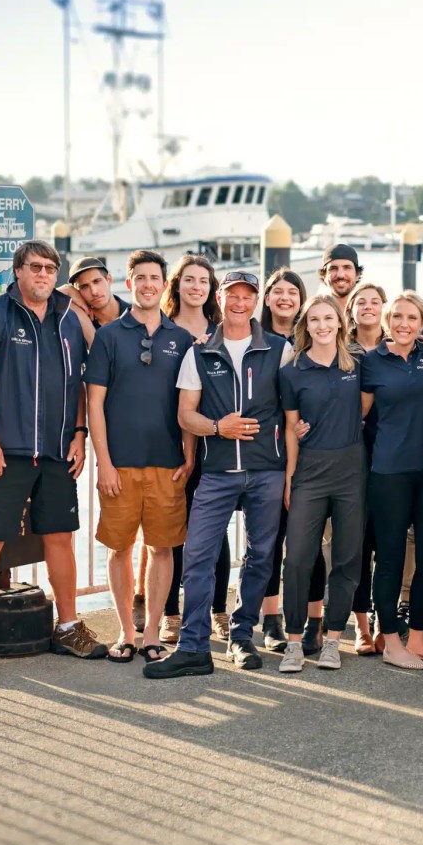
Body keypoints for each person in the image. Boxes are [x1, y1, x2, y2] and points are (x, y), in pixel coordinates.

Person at [0, 240, 103, 676]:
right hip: (9, 451)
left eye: (50, 268)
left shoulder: (69, 319)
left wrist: (79, 434)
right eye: (35, 267)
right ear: (18, 272)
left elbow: (78, 382)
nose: (43, 274)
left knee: (60, 538)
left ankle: (68, 626)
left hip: (59, 452)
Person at [145, 269, 289, 678]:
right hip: (219, 471)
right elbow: (185, 413)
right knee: (197, 555)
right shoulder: (200, 352)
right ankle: (193, 646)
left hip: (267, 469)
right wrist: (216, 428)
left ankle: (241, 636)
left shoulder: (279, 350)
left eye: (247, 296)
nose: (240, 303)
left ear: (256, 300)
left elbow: (296, 406)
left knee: (261, 556)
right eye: (233, 296)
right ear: (220, 299)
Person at [84, 250, 194, 663]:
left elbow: (189, 402)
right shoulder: (110, 337)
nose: (148, 284)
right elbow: (95, 404)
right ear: (128, 284)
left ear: (164, 285)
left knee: (163, 548)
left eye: (155, 278)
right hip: (121, 465)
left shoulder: (181, 340)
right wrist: (104, 463)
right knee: (119, 549)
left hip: (169, 464)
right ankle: (126, 632)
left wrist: (189, 453)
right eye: (140, 277)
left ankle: (152, 633)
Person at [361, 290, 423, 669]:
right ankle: (390, 640)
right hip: (388, 473)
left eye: (412, 318)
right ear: (386, 321)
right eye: (397, 316)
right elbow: (358, 417)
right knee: (390, 559)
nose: (403, 324)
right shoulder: (371, 362)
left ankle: (418, 638)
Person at [277, 294, 367, 673]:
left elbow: (365, 407)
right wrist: (289, 478)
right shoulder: (292, 371)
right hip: (309, 473)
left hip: (351, 470)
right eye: (314, 319)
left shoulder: (359, 363)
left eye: (329, 318)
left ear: (341, 322)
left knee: (346, 559)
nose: (322, 325)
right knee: (297, 558)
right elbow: (290, 429)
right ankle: (294, 642)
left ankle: (333, 641)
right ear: (305, 326)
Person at [155, 254, 231, 645]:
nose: (196, 286)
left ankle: (219, 610)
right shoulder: (162, 329)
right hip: (166, 441)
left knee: (214, 532)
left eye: (203, 280)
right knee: (171, 530)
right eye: (189, 279)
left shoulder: (221, 332)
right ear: (177, 285)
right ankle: (170, 612)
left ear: (211, 289)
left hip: (209, 444)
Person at [257, 266, 324, 652]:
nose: (285, 298)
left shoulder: (310, 341)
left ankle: (314, 620)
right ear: (267, 298)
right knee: (268, 540)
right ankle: (270, 619)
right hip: (266, 455)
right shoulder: (252, 338)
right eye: (278, 291)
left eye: (293, 292)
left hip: (309, 456)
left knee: (308, 544)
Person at [343, 281, 387, 654]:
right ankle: (360, 625)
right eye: (362, 302)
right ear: (352, 308)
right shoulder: (343, 350)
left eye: (375, 301)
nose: (368, 307)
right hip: (350, 456)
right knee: (356, 544)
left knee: (384, 542)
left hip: (390, 456)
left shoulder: (398, 348)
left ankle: (384, 619)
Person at [63, 255, 131, 330]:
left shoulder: (135, 315)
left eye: (96, 281)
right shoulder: (77, 325)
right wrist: (67, 290)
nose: (94, 292)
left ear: (109, 279)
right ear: (77, 292)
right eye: (84, 287)